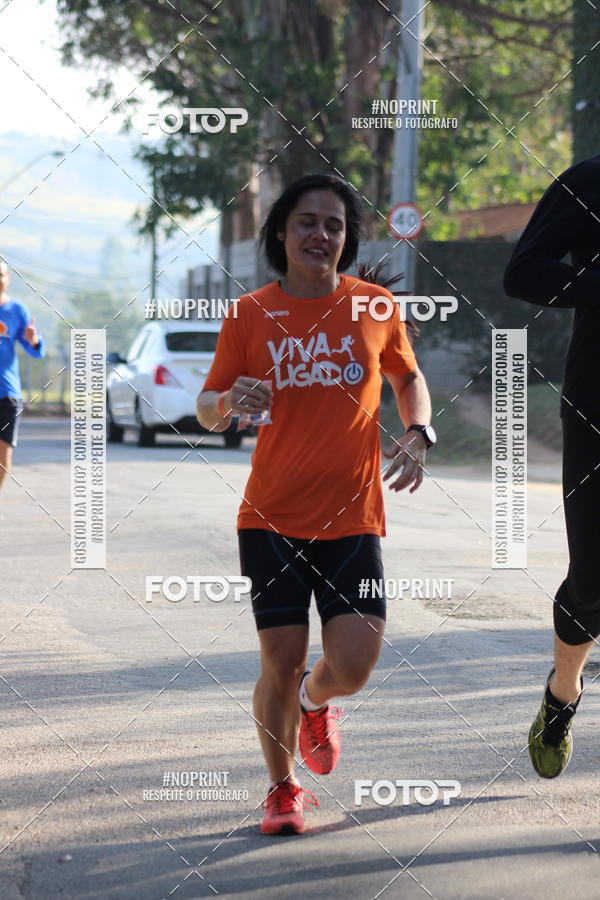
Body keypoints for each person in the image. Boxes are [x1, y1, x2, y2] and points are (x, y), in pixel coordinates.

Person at [197, 173, 435, 834]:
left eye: (333, 225)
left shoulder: (375, 308)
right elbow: (207, 406)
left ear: (346, 239)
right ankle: (281, 789)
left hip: (352, 518)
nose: (320, 235)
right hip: (270, 518)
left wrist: (417, 429)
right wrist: (226, 403)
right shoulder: (249, 314)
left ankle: (314, 701)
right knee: (279, 660)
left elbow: (408, 376)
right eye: (306, 221)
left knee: (354, 666)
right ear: (280, 231)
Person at [503, 154, 600, 778]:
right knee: (592, 582)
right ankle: (563, 693)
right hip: (597, 405)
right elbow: (524, 273)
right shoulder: (589, 182)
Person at [0, 259, 45, 496]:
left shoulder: (16, 311)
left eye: (0, 275)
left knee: (3, 451)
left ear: (7, 279)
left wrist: (33, 339)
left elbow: (35, 350)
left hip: (6, 392)